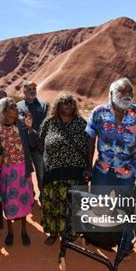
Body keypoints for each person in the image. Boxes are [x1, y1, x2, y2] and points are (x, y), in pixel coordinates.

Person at [85, 77, 136, 259]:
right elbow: (90, 139)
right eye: (122, 92)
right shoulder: (98, 112)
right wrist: (88, 166)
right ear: (111, 94)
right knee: (99, 206)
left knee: (126, 208)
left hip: (127, 170)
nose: (127, 96)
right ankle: (99, 238)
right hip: (102, 170)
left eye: (130, 93)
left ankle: (126, 244)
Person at [39, 94, 89, 245]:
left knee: (72, 204)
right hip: (53, 171)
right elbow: (40, 143)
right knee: (53, 202)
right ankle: (54, 232)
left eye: (71, 103)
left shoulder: (81, 123)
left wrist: (87, 166)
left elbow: (88, 146)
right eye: (65, 103)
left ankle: (70, 234)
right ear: (58, 106)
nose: (68, 106)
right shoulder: (49, 122)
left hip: (75, 170)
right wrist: (50, 158)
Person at [0, 97, 37, 247]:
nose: (16, 109)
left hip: (23, 167)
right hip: (7, 170)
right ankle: (10, 231)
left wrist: (30, 129)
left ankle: (24, 230)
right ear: (4, 111)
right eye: (12, 107)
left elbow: (32, 144)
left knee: (23, 199)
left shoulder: (22, 124)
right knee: (9, 200)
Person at [17, 81, 48, 199]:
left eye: (34, 88)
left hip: (39, 146)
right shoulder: (18, 106)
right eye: (29, 88)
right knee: (25, 175)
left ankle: (43, 198)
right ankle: (29, 197)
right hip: (23, 147)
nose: (32, 90)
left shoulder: (44, 105)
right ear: (24, 91)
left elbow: (47, 125)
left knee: (41, 173)